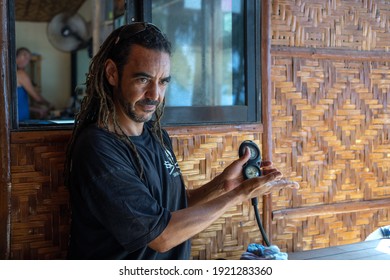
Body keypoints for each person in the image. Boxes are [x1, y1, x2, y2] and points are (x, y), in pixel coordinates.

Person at [64, 22, 299, 260]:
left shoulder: (157, 136)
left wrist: (223, 185)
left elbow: (168, 208)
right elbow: (161, 236)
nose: (155, 95)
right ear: (112, 73)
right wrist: (239, 195)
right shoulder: (98, 149)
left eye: (163, 81)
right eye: (143, 80)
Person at [16, 47, 52, 121]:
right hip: (21, 120)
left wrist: (37, 110)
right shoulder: (21, 74)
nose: (26, 59)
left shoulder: (11, 74)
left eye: (29, 58)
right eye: (24, 55)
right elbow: (37, 98)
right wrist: (49, 104)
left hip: (17, 120)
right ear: (16, 56)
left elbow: (19, 105)